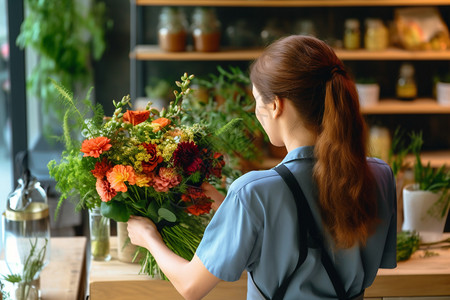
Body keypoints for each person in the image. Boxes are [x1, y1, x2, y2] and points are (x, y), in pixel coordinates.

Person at [127, 35, 397, 300]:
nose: (256, 111)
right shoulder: (380, 176)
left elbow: (190, 286)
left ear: (276, 105)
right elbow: (311, 229)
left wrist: (149, 238)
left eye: (256, 99)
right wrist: (228, 207)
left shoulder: (253, 192)